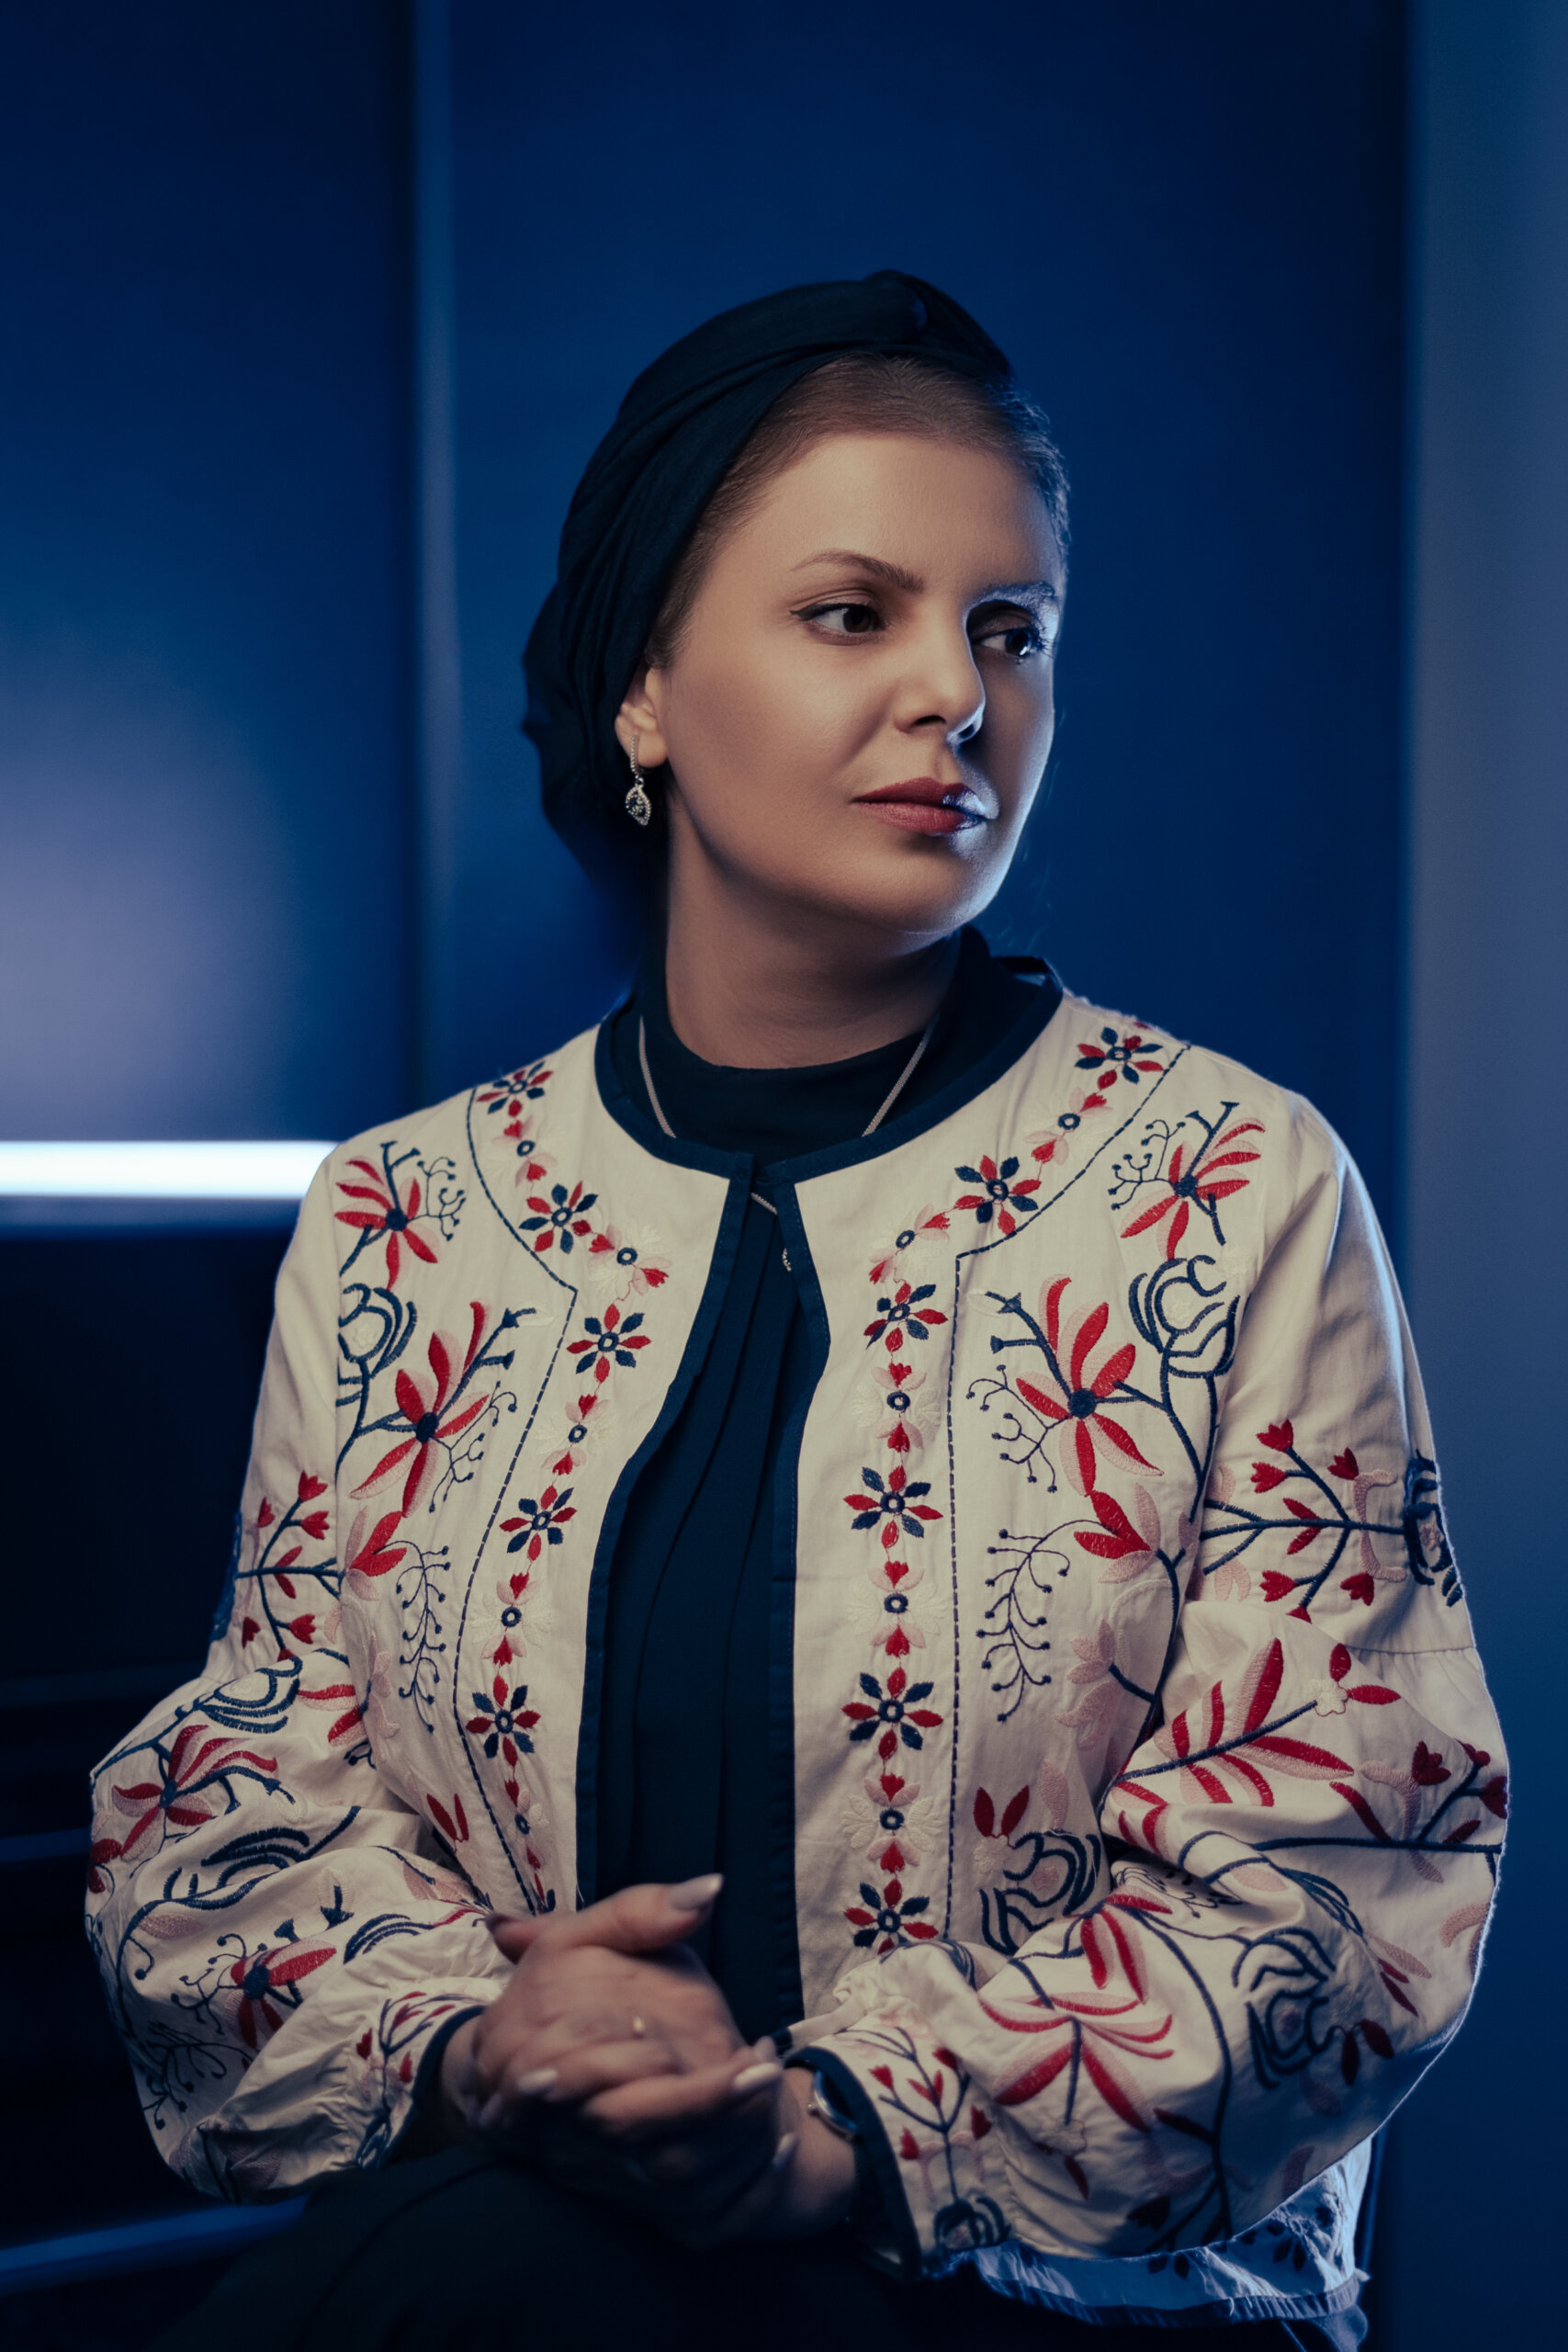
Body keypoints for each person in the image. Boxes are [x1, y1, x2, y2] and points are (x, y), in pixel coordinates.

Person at [87, 272, 1504, 2351]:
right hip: (515, 2236)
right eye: (852, 613)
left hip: (1054, 2303)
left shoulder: (1225, 1184)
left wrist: (834, 2127)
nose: (956, 694)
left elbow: (1340, 1869)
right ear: (646, 691)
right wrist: (486, 2042)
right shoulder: (404, 1220)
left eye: (1009, 629)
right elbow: (230, 1819)